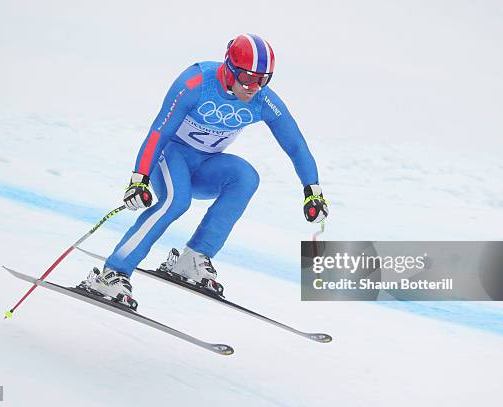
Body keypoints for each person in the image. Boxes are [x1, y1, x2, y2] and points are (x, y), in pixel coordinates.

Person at [80, 34, 329, 309]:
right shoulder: (196, 83)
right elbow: (159, 132)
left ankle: (193, 258)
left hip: (205, 166)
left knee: (245, 176)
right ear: (230, 69)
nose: (255, 87)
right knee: (177, 201)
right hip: (170, 157)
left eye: (263, 79)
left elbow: (295, 144)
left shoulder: (263, 101)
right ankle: (112, 272)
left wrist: (312, 191)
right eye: (248, 78)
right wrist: (140, 178)